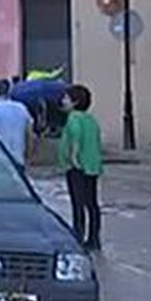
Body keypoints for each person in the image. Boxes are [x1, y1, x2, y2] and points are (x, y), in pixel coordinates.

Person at [58, 84, 103, 250]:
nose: (63, 101)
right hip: (92, 166)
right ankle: (94, 238)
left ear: (75, 102)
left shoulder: (74, 118)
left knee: (77, 204)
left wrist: (74, 157)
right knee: (91, 203)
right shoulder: (91, 119)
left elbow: (76, 136)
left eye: (66, 98)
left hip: (77, 167)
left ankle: (78, 235)